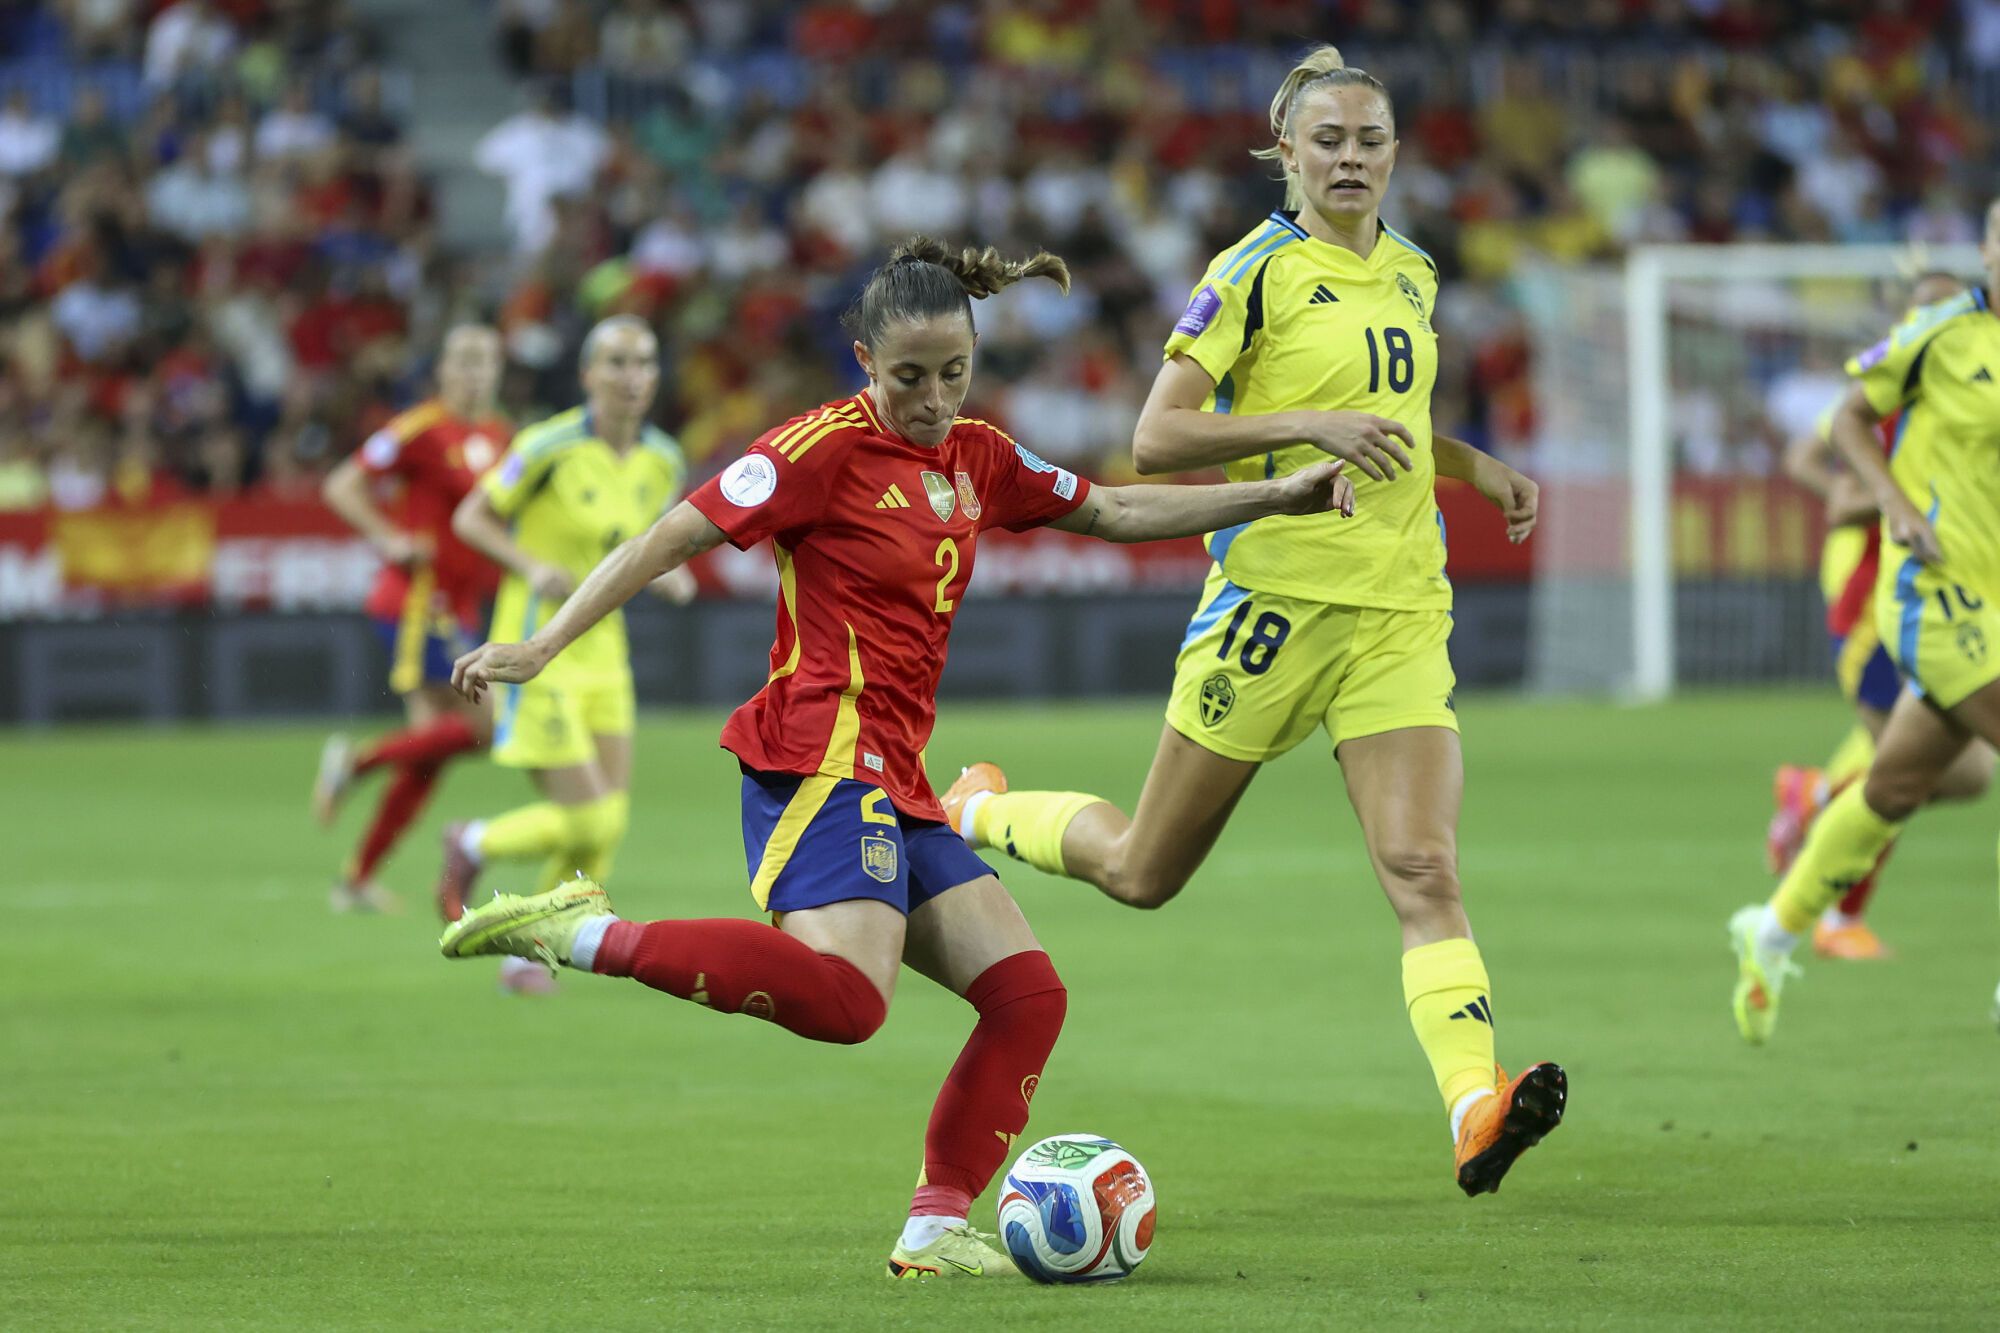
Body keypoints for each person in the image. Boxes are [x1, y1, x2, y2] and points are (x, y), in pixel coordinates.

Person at [437, 237, 1356, 1277]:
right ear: (863, 357)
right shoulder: (815, 450)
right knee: (849, 1001)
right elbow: (669, 538)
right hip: (816, 755)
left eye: (952, 374)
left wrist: (1274, 496)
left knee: (1026, 996)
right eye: (907, 377)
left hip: (897, 777)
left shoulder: (980, 457)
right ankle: (584, 932)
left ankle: (931, 1227)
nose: (930, 398)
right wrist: (543, 643)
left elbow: (1112, 508)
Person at [937, 45, 1564, 1197]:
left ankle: (1472, 1104)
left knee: (1421, 864)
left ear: (1392, 156)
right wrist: (1309, 422)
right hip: (1269, 610)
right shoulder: (1254, 271)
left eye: (1368, 141)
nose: (1349, 160)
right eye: (1325, 141)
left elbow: (1399, 421)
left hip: (1396, 610)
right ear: (1285, 155)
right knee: (1139, 871)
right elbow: (1157, 438)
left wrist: (1474, 469)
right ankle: (977, 805)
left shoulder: (1415, 273)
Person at [1732, 198, 2000, 1043]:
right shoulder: (1940, 331)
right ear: (1988, 246)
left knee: (1896, 783)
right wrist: (1888, 503)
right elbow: (1846, 417)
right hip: (1934, 590)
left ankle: (1771, 929)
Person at [436, 315, 692, 934]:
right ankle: (473, 841)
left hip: (605, 652)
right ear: (587, 374)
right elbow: (471, 518)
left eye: (644, 363)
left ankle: (537, 943)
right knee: (590, 818)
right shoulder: (546, 446)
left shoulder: (663, 459)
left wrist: (667, 575)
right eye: (616, 363)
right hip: (537, 649)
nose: (631, 378)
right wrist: (529, 564)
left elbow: (641, 545)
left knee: (611, 821)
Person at [1765, 270, 1992, 960]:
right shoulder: (1890, 392)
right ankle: (1835, 921)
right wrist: (1902, 498)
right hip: (1880, 605)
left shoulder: (1971, 392)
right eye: (1928, 310)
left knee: (1952, 776)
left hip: (1964, 594)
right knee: (1909, 775)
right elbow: (1816, 464)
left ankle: (1810, 810)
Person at [313, 324, 510, 913]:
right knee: (486, 726)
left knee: (429, 755)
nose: (474, 372)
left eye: (484, 361)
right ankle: (355, 762)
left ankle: (355, 880)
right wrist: (389, 537)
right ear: (443, 370)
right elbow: (342, 485)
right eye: (463, 361)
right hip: (418, 603)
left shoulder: (500, 436)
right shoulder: (420, 429)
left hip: (460, 605)